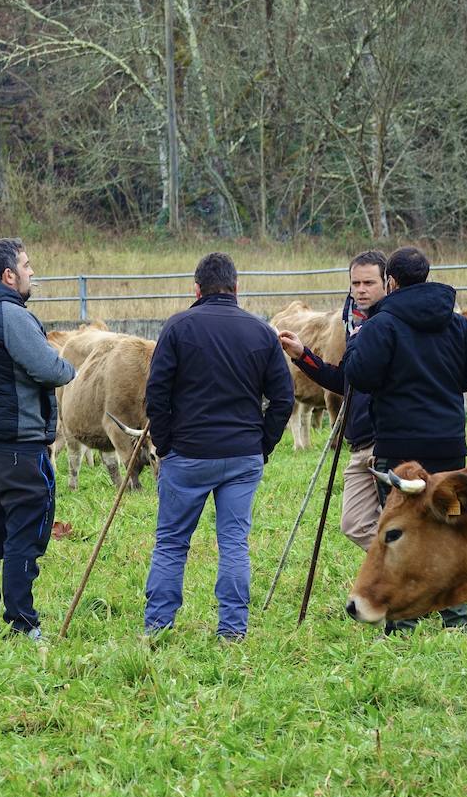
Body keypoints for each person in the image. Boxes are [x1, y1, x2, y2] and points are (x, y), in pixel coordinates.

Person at [341, 246, 467, 632]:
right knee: (450, 527)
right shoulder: (456, 323)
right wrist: (447, 382)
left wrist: (360, 344)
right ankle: (457, 620)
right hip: (448, 445)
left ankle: (403, 624)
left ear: (391, 281)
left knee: (401, 533)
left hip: (399, 449)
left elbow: (359, 375)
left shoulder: (383, 324)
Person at [143, 252, 295, 640]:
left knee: (172, 543)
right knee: (233, 543)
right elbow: (283, 399)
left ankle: (159, 627)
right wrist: (262, 445)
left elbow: (155, 394)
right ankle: (232, 630)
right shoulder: (261, 332)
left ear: (196, 289)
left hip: (188, 455)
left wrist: (166, 443)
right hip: (242, 455)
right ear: (236, 287)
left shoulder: (177, 328)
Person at [0, 238, 76, 640]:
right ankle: (23, 623)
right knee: (26, 531)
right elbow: (51, 369)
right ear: (8, 275)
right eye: (27, 265)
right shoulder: (12, 315)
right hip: (18, 445)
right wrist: (68, 366)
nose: (32, 271)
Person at [277, 249, 388, 551]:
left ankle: (409, 577)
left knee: (401, 518)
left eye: (369, 283)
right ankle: (407, 566)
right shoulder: (353, 323)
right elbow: (344, 381)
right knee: (353, 522)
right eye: (356, 283)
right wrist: (303, 356)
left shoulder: (392, 323)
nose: (361, 290)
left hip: (392, 440)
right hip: (361, 439)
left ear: (387, 283)